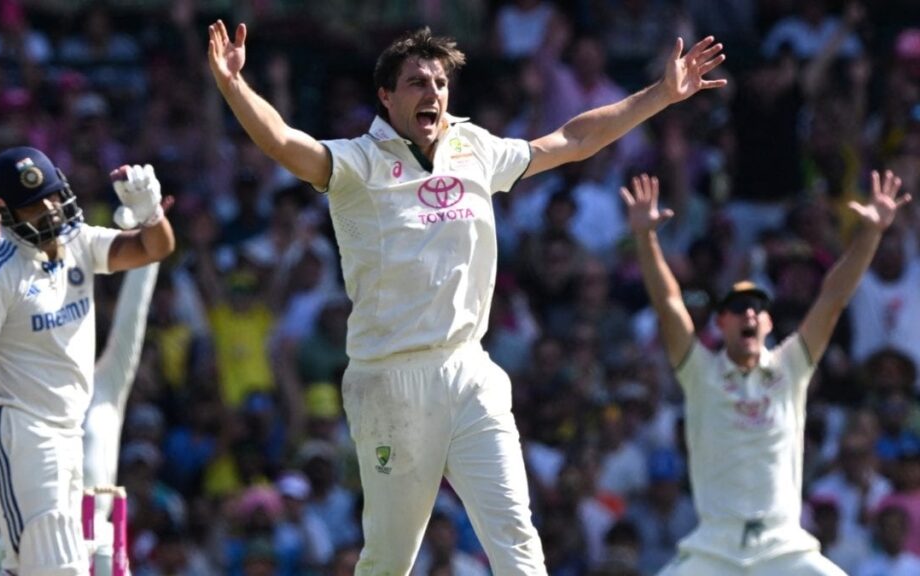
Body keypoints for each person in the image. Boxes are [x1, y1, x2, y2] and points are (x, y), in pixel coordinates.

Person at [208, 20, 725, 575]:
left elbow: (573, 140)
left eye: (439, 82)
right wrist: (235, 86)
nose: (432, 92)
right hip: (389, 380)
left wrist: (662, 94)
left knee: (517, 543)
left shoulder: (474, 148)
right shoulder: (358, 162)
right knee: (388, 560)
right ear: (385, 96)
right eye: (416, 83)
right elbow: (286, 144)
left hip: (469, 371)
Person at [619, 171, 909, 575]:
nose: (749, 314)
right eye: (737, 309)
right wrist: (646, 237)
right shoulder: (699, 371)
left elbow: (834, 295)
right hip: (712, 549)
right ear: (720, 323)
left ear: (769, 324)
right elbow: (668, 302)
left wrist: (872, 234)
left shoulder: (792, 365)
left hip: (784, 546)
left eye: (757, 308)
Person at [0, 146, 175, 575]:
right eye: (34, 205)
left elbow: (151, 249)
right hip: (17, 428)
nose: (50, 210)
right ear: (3, 210)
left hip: (68, 428)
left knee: (37, 563)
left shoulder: (80, 243)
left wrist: (150, 214)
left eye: (52, 195)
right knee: (58, 565)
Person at [0, 183, 165, 576]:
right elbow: (1, 312)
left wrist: (150, 221)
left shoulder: (107, 387)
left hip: (95, 549)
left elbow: (132, 315)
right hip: (30, 542)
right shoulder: (25, 387)